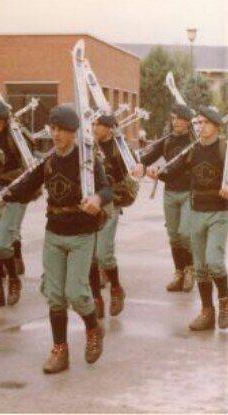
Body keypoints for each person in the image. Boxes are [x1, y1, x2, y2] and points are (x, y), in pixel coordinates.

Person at [0, 105, 110, 374]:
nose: (54, 135)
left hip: (81, 234)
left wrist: (98, 199)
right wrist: (2, 193)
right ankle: (60, 350)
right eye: (52, 129)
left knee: (76, 293)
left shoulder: (87, 159)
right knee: (54, 295)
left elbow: (106, 189)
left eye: (60, 130)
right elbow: (25, 184)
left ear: (73, 132)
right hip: (54, 233)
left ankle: (93, 328)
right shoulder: (48, 161)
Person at [156, 106, 228, 331]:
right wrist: (156, 173)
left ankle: (225, 303)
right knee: (199, 266)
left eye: (206, 123)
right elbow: (175, 170)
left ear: (216, 126)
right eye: (199, 123)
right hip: (196, 210)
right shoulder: (193, 148)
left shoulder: (225, 149)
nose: (201, 127)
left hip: (219, 211)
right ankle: (207, 312)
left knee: (214, 261)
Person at [134, 104, 195, 292]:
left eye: (180, 118)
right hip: (170, 193)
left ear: (187, 122)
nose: (175, 121)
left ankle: (190, 270)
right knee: (174, 236)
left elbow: (179, 168)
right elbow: (149, 157)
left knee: (185, 233)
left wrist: (158, 174)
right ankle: (179, 273)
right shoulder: (167, 140)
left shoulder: (193, 141)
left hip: (188, 193)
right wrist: (140, 165)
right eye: (173, 118)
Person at [0, 102, 32, 309]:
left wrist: (11, 185)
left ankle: (13, 280)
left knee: (3, 243)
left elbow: (29, 166)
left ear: (3, 118)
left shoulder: (16, 138)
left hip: (13, 195)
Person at [90, 113, 131, 319]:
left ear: (108, 128)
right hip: (88, 203)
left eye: (98, 125)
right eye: (93, 124)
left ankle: (116, 288)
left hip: (110, 203)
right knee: (91, 256)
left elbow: (131, 171)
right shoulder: (88, 146)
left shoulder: (118, 148)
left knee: (104, 252)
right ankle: (96, 297)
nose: (94, 128)